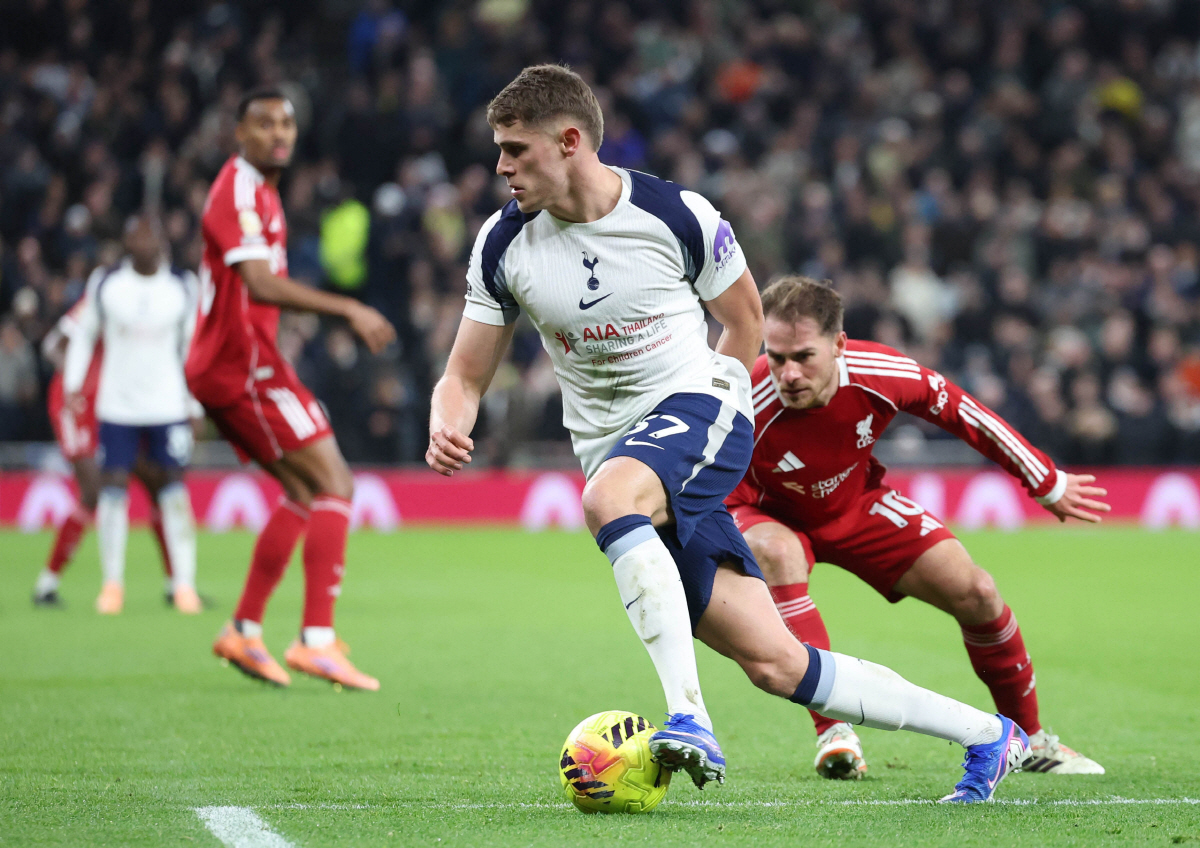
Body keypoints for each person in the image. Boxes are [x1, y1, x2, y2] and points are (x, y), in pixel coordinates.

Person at [427, 65, 1028, 802]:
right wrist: (448, 420)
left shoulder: (676, 214)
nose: (501, 166)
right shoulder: (503, 245)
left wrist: (718, 397)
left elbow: (745, 323)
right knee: (778, 663)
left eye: (516, 149)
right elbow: (464, 374)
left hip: (700, 406)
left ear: (570, 141)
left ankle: (690, 718)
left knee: (610, 498)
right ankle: (988, 736)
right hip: (623, 457)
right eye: (500, 149)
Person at [726, 276, 1109, 778]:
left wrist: (1045, 479)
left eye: (803, 356)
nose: (788, 373)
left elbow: (965, 414)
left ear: (839, 345)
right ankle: (834, 733)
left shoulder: (880, 372)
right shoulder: (743, 397)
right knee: (778, 551)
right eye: (776, 357)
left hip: (855, 504)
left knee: (977, 591)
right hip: (766, 512)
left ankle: (1031, 741)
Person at [190, 89, 395, 691]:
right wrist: (348, 308)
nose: (279, 133)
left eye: (286, 123)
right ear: (239, 133)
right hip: (242, 370)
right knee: (336, 482)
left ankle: (244, 630)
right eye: (264, 123)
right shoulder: (237, 191)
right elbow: (258, 284)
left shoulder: (264, 191)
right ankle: (316, 641)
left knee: (304, 491)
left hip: (244, 365)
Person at [60, 215, 202, 615]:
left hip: (168, 404)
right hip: (118, 405)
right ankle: (112, 585)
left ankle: (185, 585)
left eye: (149, 234)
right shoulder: (107, 284)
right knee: (113, 489)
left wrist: (195, 404)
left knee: (174, 490)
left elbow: (192, 347)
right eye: (134, 234)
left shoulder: (182, 286)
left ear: (162, 239)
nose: (141, 241)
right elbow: (84, 335)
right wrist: (73, 387)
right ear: (125, 241)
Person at [32, 296, 181, 608]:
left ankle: (177, 585)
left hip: (117, 404)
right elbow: (52, 345)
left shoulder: (148, 301)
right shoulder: (101, 298)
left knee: (156, 481)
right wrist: (80, 378)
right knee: (94, 491)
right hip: (78, 403)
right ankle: (47, 583)